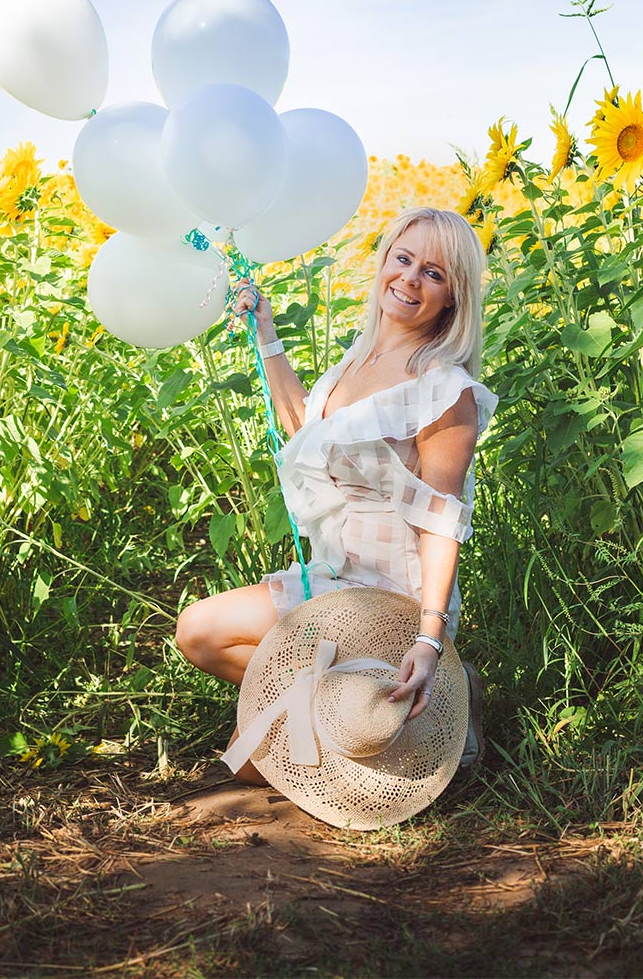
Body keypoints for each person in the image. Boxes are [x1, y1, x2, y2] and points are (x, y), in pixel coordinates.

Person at [174, 206, 495, 782]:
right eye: (403, 259)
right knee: (199, 634)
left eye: (434, 273)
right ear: (384, 261)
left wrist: (430, 636)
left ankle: (425, 689)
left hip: (392, 594)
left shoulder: (445, 390)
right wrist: (266, 334)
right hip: (334, 575)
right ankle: (364, 704)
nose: (409, 279)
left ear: (454, 297)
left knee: (256, 763)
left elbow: (441, 523)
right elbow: (307, 429)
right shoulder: (360, 357)